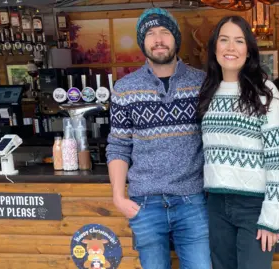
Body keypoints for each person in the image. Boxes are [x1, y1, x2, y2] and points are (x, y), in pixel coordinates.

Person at [106, 7, 210, 269]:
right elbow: (118, 146)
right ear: (143, 43)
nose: (159, 39)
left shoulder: (203, 83)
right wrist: (119, 197)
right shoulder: (125, 88)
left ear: (176, 38)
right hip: (145, 204)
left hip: (193, 201)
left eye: (165, 32)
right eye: (151, 33)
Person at [198, 15, 279, 269]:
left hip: (254, 207)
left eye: (239, 41)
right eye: (224, 40)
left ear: (248, 50)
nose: (230, 48)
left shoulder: (265, 94)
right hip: (216, 204)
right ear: (214, 47)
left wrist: (272, 217)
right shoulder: (208, 91)